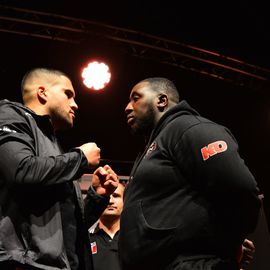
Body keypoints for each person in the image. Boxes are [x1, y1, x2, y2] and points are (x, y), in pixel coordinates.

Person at [119, 77, 261, 270]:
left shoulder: (189, 128)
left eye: (135, 98)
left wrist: (229, 244)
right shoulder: (153, 146)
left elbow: (241, 190)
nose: (127, 107)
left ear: (161, 100)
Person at [0, 67, 118, 270]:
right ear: (42, 92)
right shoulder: (9, 115)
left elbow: (67, 227)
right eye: (68, 94)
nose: (75, 104)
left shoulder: (53, 146)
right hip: (22, 263)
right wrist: (80, 158)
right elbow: (21, 170)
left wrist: (96, 197)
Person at [88, 180, 126, 270]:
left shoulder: (134, 240)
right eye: (106, 196)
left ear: (125, 202)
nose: (110, 201)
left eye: (116, 196)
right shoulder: (85, 240)